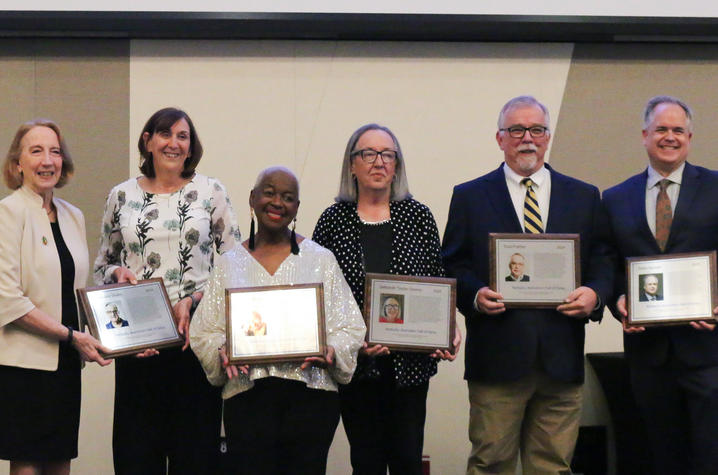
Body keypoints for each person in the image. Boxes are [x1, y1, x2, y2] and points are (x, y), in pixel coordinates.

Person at [442, 96, 612, 475]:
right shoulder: (469, 195)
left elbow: (603, 259)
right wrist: (474, 294)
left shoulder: (583, 195)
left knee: (553, 467)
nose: (527, 139)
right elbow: (452, 263)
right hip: (497, 359)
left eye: (536, 129)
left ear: (548, 137)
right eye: (516, 130)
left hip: (561, 358)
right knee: (490, 464)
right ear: (499, 138)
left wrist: (595, 295)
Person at [190, 166, 365, 475]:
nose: (277, 202)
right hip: (247, 399)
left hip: (311, 399)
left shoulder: (320, 259)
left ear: (296, 207)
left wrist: (332, 350)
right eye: (269, 192)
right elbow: (205, 330)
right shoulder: (230, 264)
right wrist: (221, 350)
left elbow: (349, 325)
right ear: (253, 199)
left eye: (288, 197)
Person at [94, 107, 241, 474]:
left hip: (195, 342)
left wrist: (194, 300)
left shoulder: (211, 191)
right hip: (138, 347)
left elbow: (235, 267)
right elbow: (101, 267)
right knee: (135, 456)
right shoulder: (121, 195)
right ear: (147, 141)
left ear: (191, 147)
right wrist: (118, 273)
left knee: (194, 457)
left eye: (182, 136)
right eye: (165, 134)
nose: (173, 143)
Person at [312, 123, 461, 475]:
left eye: (387, 154)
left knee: (408, 460)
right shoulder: (333, 221)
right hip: (357, 367)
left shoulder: (418, 217)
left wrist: (448, 329)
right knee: (366, 462)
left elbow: (437, 283)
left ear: (396, 165)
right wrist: (349, 342)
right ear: (352, 164)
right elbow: (320, 296)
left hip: (409, 366)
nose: (378, 161)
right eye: (368, 153)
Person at [603, 95, 718, 475]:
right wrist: (619, 299)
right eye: (661, 129)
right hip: (647, 353)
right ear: (645, 135)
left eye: (678, 130)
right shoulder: (615, 198)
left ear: (690, 136)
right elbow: (608, 263)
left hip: (707, 350)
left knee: (710, 454)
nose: (670, 137)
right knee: (660, 454)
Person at [0, 119, 111, 474]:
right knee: (29, 463)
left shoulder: (72, 216)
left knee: (61, 461)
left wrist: (116, 297)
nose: (48, 160)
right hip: (23, 366)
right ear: (17, 164)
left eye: (55, 151)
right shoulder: (7, 214)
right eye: (36, 151)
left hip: (65, 362)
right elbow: (8, 301)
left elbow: (77, 291)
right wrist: (70, 335)